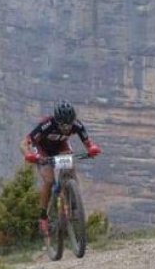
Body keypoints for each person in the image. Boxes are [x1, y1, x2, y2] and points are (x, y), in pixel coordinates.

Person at [21, 100, 101, 236]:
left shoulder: (76, 125)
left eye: (69, 124)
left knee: (70, 165)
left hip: (60, 146)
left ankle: (72, 198)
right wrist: (28, 155)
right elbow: (24, 143)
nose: (67, 128)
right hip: (42, 149)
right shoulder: (47, 125)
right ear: (57, 121)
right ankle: (43, 217)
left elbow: (88, 143)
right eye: (63, 125)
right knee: (49, 180)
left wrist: (91, 149)